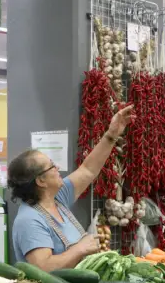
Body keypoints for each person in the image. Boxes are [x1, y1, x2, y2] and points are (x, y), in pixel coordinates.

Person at [9, 104, 133, 271]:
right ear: (41, 181)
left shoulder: (58, 198)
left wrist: (111, 135)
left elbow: (88, 170)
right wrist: (80, 248)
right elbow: (42, 267)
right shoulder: (30, 220)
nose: (57, 167)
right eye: (52, 166)